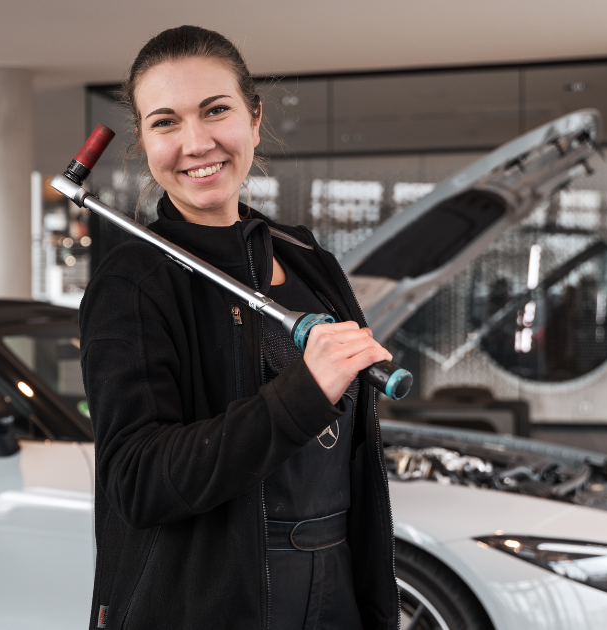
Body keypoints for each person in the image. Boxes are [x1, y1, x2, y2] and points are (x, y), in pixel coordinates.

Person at [79, 25, 398, 630]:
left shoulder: (306, 258)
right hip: (209, 605)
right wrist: (303, 392)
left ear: (254, 119)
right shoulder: (133, 284)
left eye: (215, 110)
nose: (196, 142)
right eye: (166, 122)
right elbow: (137, 482)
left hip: (335, 590)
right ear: (144, 141)